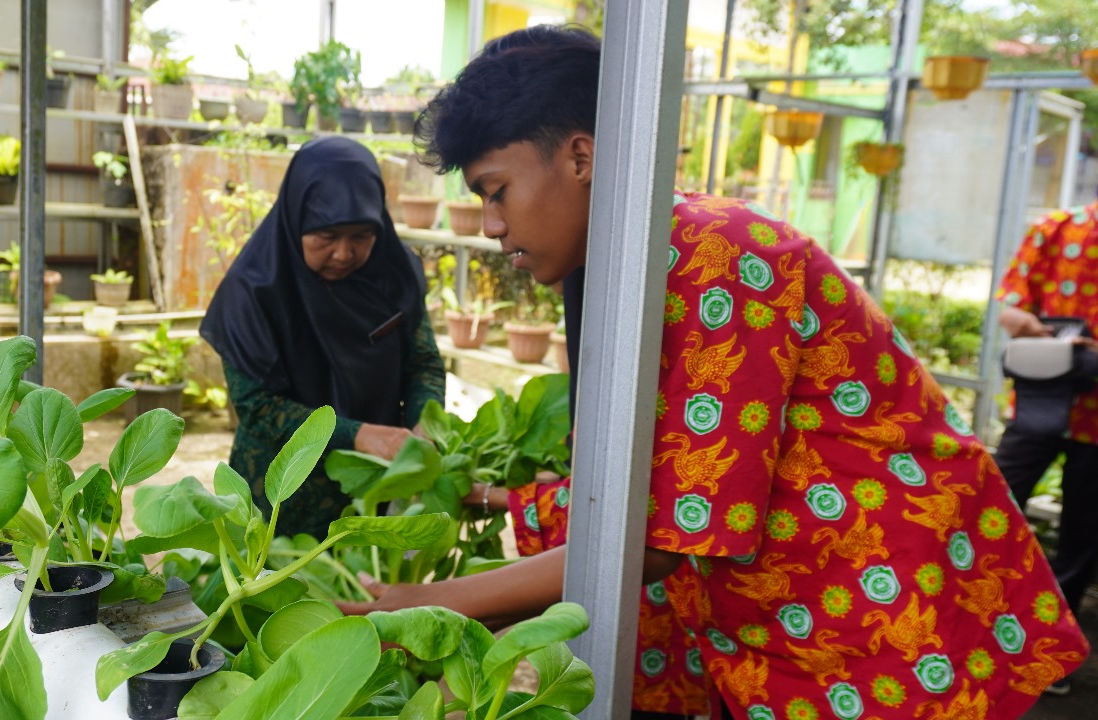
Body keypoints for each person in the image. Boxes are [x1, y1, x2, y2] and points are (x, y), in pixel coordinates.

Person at [338, 25, 1090, 720]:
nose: (493, 226)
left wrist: (426, 605)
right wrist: (492, 513)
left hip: (880, 612)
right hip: (804, 610)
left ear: (580, 156)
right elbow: (654, 474)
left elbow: (667, 533)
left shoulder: (715, 258)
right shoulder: (633, 263)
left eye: (496, 190)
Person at [200, 136, 445, 538]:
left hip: (376, 482)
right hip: (283, 492)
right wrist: (358, 435)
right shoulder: (253, 292)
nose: (344, 253)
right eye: (326, 238)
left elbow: (424, 364)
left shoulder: (394, 276)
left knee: (372, 589)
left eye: (361, 236)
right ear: (296, 219)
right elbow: (258, 406)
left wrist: (424, 425)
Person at [994, 200, 1098, 695]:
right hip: (1042, 400)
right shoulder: (1057, 228)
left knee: (1083, 535)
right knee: (992, 505)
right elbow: (1012, 309)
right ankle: (977, 624)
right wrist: (1046, 334)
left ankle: (1052, 652)